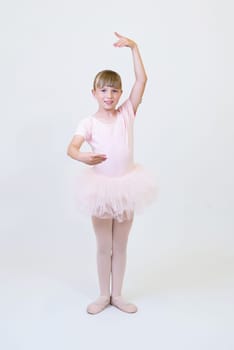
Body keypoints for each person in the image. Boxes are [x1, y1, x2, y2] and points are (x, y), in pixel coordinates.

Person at [67, 32, 157, 314]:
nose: (109, 95)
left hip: (127, 186)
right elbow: (72, 147)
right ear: (94, 93)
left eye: (114, 90)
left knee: (121, 244)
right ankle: (102, 294)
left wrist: (134, 47)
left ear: (120, 94)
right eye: (103, 90)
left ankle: (117, 294)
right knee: (103, 245)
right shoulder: (89, 122)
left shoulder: (127, 113)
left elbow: (142, 81)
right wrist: (83, 156)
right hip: (101, 188)